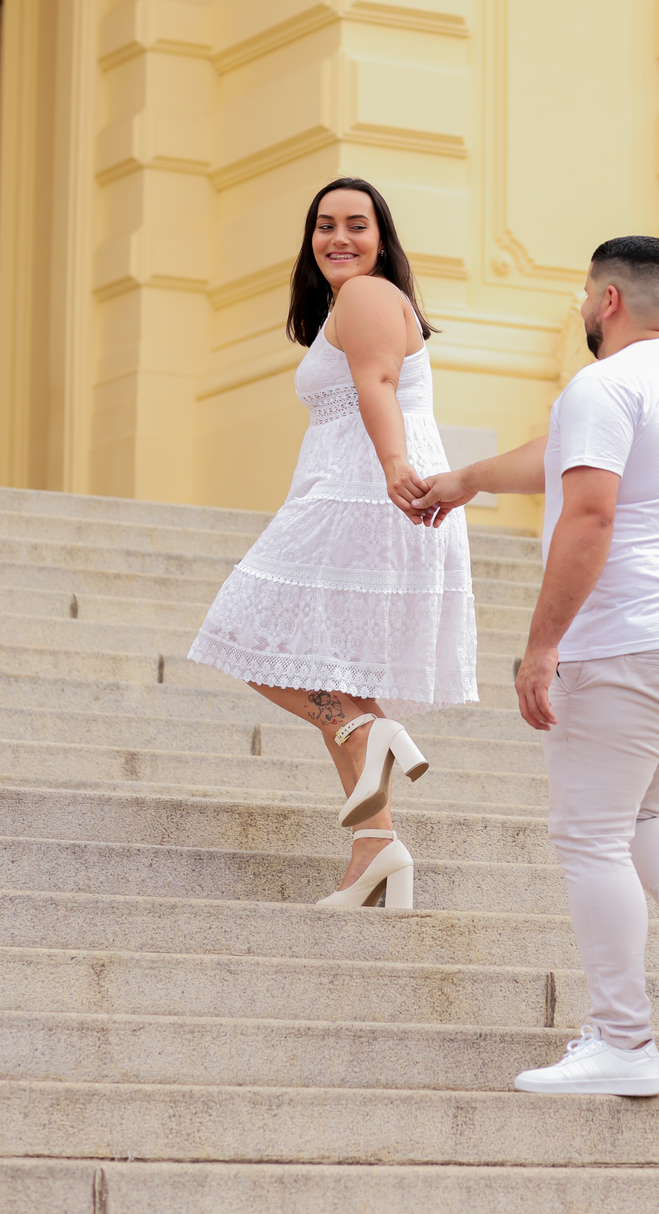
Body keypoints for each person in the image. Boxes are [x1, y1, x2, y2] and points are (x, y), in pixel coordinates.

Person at [415, 235, 659, 1094]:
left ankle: (624, 1041)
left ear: (606, 301)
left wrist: (542, 646)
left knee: (591, 834)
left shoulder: (603, 383)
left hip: (626, 646)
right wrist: (464, 480)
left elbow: (590, 514)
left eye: (582, 294)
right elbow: (560, 458)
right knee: (641, 813)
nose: (579, 308)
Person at [189, 176, 477, 910]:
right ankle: (376, 847)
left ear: (382, 240)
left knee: (245, 629)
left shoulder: (368, 296)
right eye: (325, 225)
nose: (338, 238)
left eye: (357, 224)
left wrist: (391, 468)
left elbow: (379, 384)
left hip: (367, 494)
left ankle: (365, 733)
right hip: (360, 492)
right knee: (327, 666)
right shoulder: (349, 304)